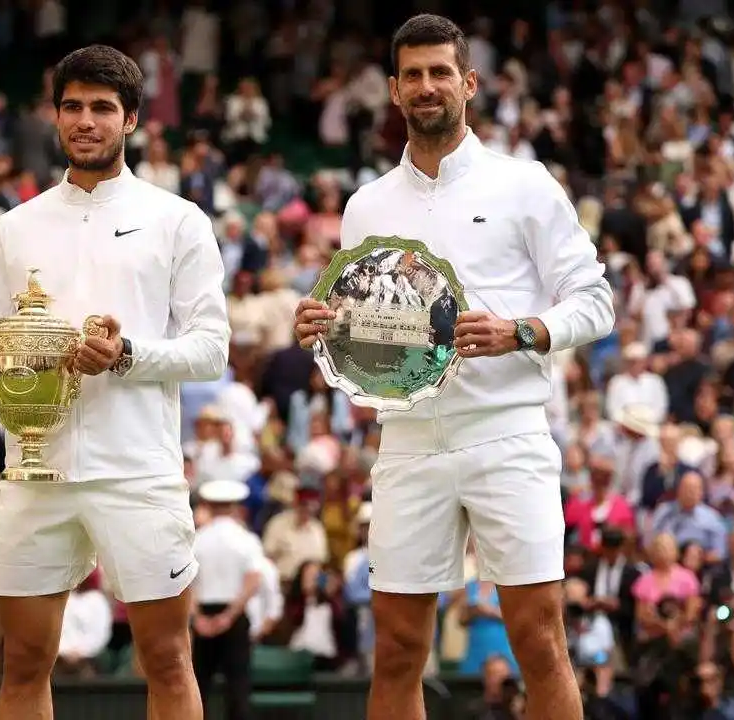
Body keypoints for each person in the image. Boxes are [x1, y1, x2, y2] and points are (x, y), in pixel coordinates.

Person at [293, 14, 613, 720]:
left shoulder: (525, 184)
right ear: (394, 89)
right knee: (399, 648)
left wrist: (523, 330)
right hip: (408, 441)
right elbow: (364, 345)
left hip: (507, 432)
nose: (427, 85)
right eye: (413, 74)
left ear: (468, 83)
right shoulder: (365, 206)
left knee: (538, 640)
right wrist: (324, 333)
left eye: (441, 72)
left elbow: (596, 302)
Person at [0, 44, 229, 720]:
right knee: (21, 665)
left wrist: (126, 353)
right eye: (72, 106)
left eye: (102, 108)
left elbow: (211, 350)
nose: (85, 120)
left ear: (131, 119)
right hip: (31, 469)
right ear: (56, 116)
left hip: (137, 469)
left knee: (165, 659)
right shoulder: (15, 227)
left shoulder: (178, 219)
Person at [192, 479, 264, 720]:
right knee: (238, 686)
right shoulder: (247, 539)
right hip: (234, 616)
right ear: (235, 506)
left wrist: (198, 618)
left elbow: (186, 583)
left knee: (199, 686)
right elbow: (253, 581)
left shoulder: (197, 539)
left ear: (209, 505)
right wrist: (229, 616)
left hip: (204, 613)